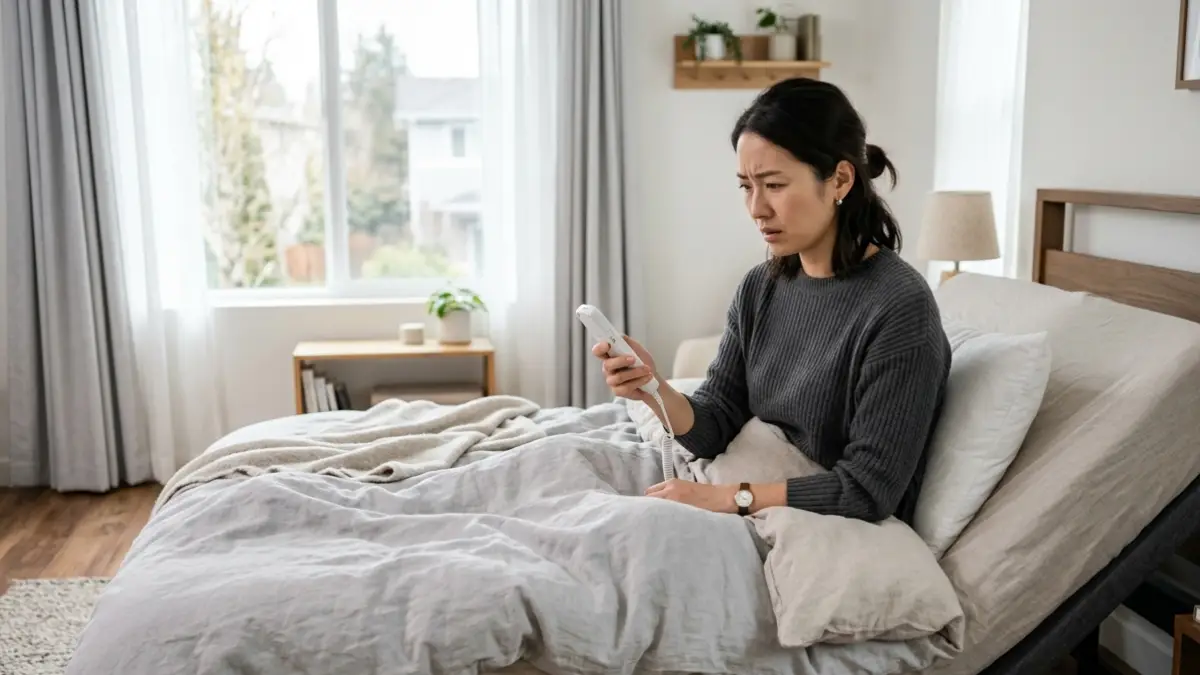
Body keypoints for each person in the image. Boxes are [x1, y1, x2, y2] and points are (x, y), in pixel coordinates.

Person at [592, 77, 951, 524]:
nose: (756, 208)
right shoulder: (760, 287)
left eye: (774, 185)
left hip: (814, 519)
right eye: (746, 186)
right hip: (742, 482)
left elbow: (868, 490)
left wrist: (726, 498)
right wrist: (653, 389)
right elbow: (715, 424)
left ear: (840, 179)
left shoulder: (899, 308)